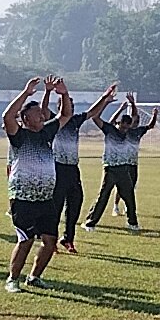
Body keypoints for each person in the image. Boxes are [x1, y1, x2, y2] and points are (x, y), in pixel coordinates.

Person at [3, 76, 72, 293]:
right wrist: (26, 93)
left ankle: (34, 277)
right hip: (24, 198)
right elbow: (7, 116)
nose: (42, 115)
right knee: (25, 240)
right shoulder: (19, 135)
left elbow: (66, 114)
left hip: (45, 199)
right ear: (25, 118)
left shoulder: (46, 133)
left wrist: (64, 93)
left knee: (50, 242)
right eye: (36, 113)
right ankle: (12, 280)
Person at [40, 77, 114, 253]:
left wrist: (104, 98)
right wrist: (48, 91)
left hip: (73, 168)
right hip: (57, 168)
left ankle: (68, 238)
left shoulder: (75, 121)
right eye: (67, 105)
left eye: (72, 106)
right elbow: (43, 109)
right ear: (60, 107)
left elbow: (92, 113)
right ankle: (52, 239)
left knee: (75, 203)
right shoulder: (54, 120)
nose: (70, 108)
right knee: (56, 206)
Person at [84, 92, 157, 232]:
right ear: (120, 123)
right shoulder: (110, 130)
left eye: (127, 126)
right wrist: (106, 102)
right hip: (110, 169)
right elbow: (95, 117)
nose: (124, 128)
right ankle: (90, 223)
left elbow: (138, 119)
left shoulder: (132, 133)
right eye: (123, 125)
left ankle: (132, 222)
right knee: (103, 196)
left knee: (129, 197)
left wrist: (133, 104)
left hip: (124, 169)